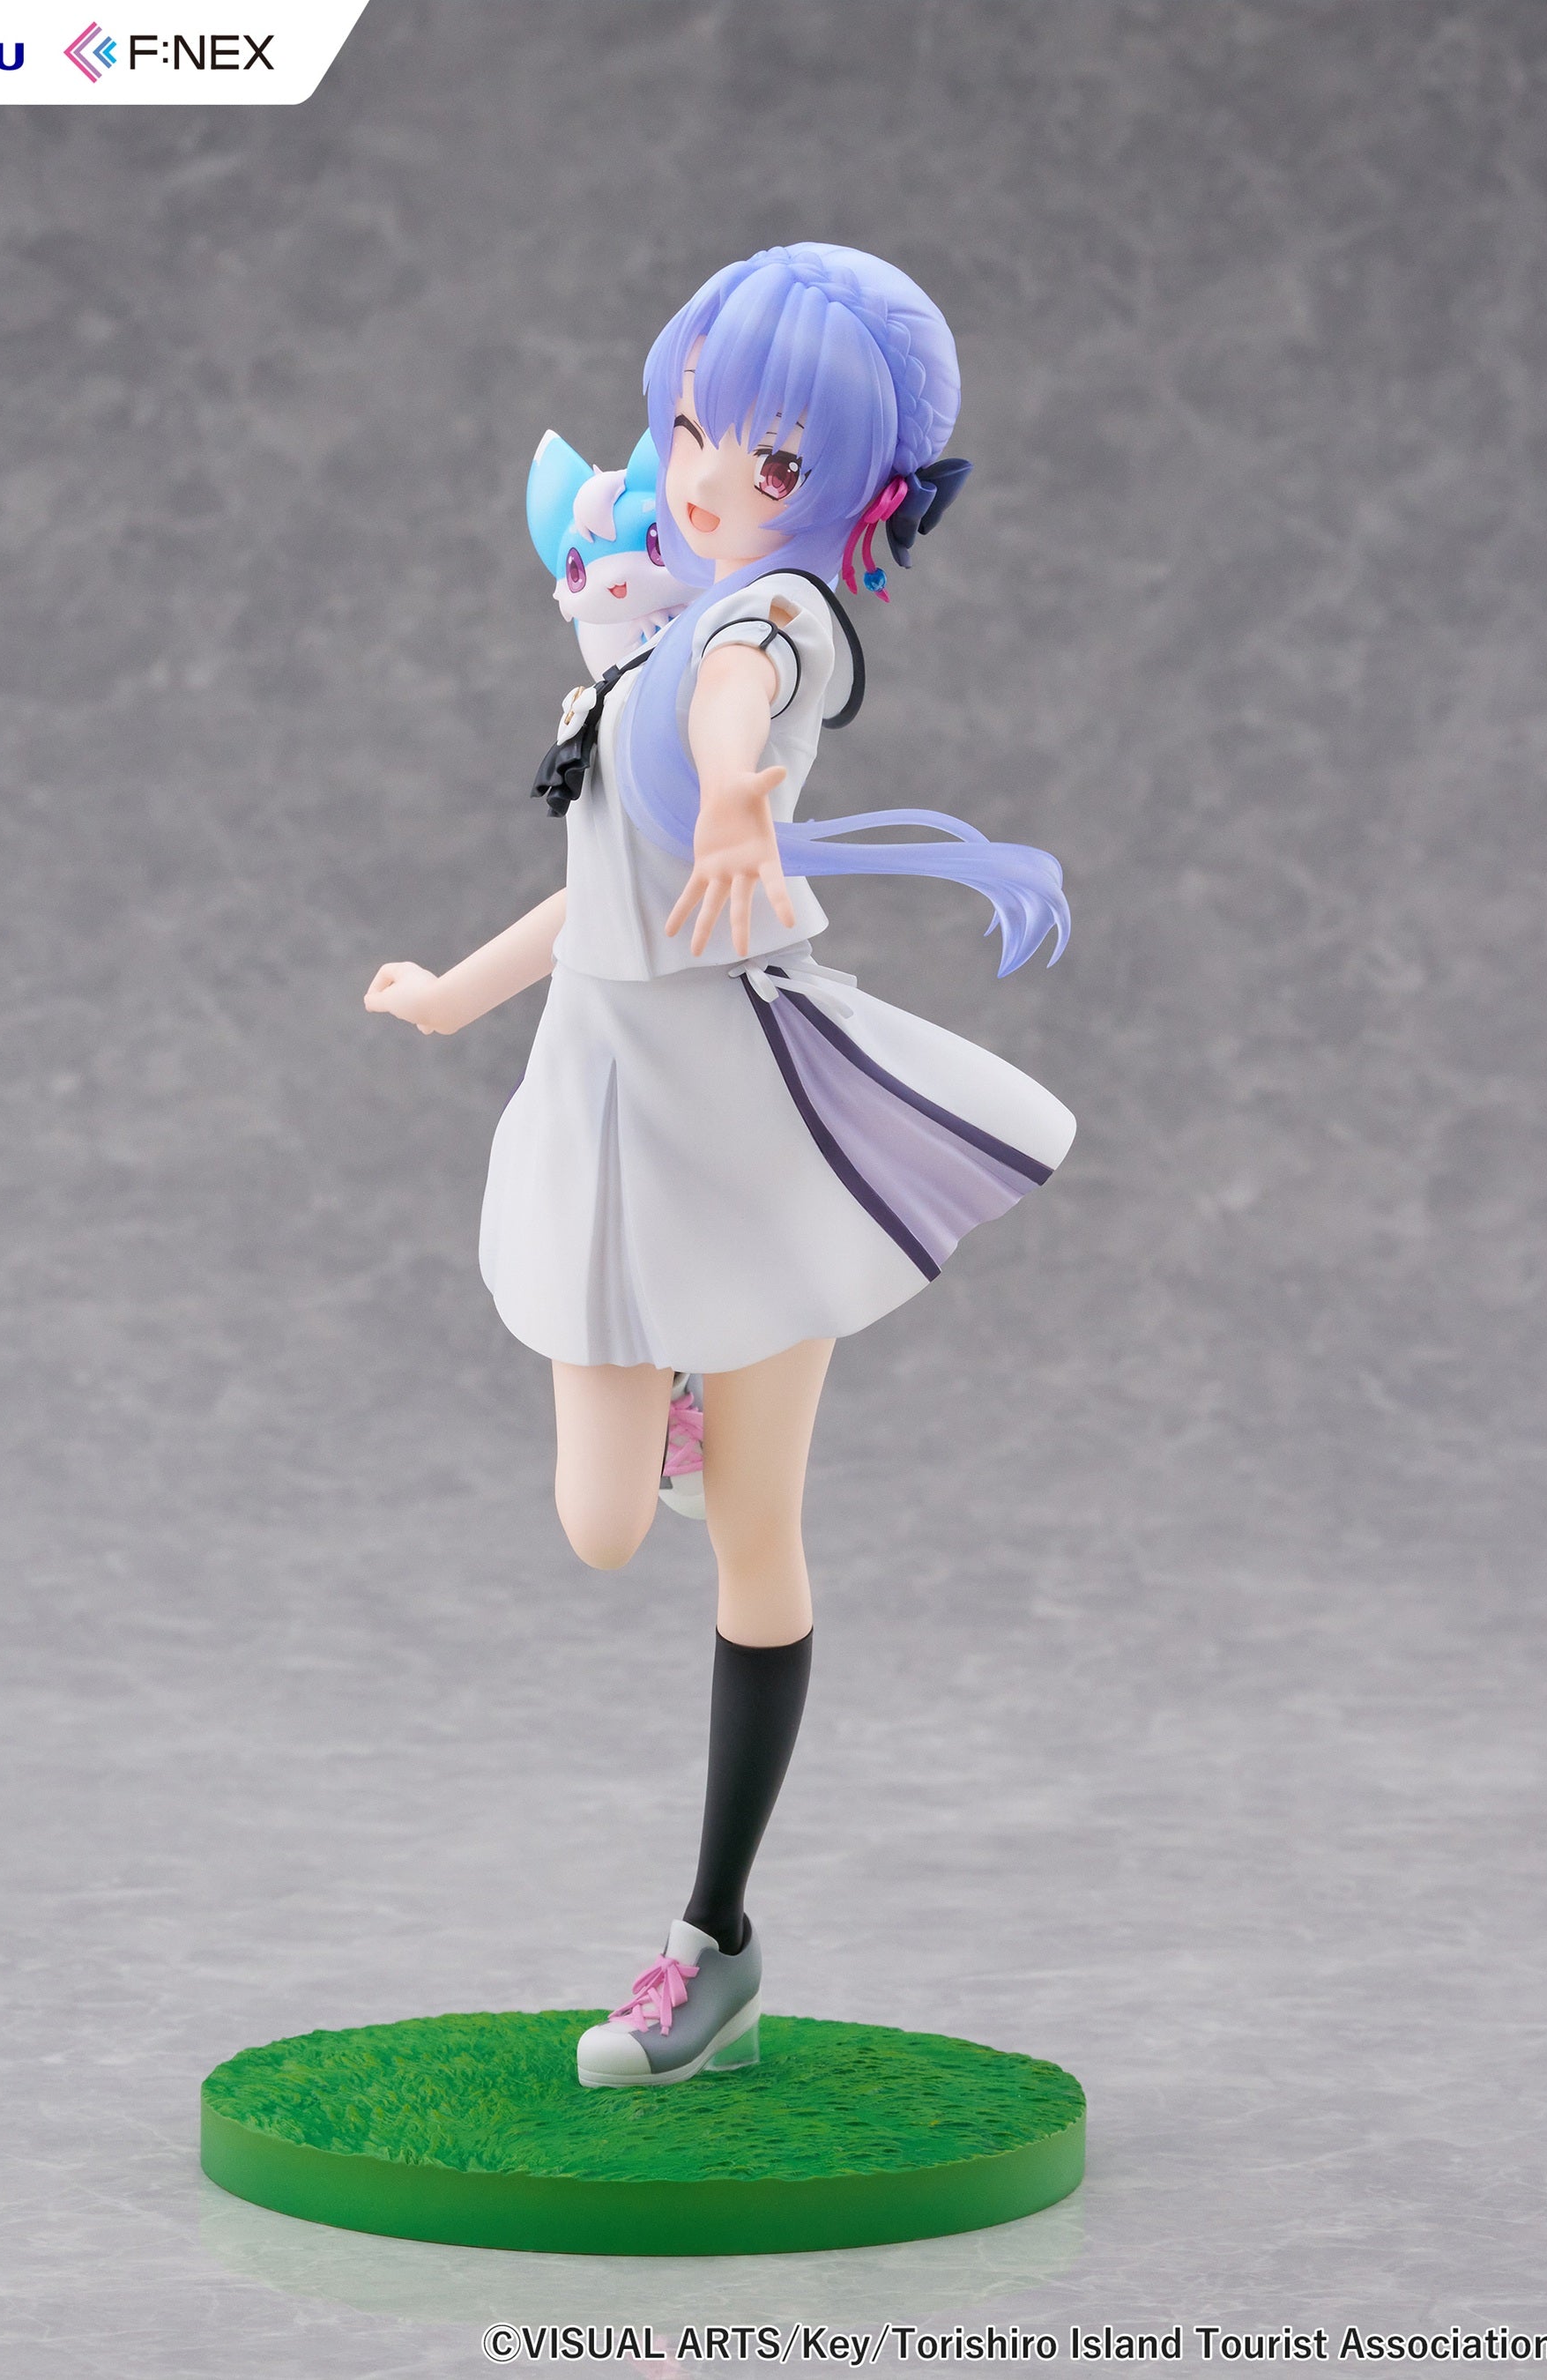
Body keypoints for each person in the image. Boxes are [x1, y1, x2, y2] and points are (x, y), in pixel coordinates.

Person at [365, 244, 1076, 2089]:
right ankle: (673, 1409)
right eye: (690, 430)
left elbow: (738, 698)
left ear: (843, 492)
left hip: (749, 1113)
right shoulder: (647, 641)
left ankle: (715, 1941)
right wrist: (454, 994)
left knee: (756, 1538)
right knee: (601, 1524)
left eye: (765, 461)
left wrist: (745, 788)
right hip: (608, 1090)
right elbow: (598, 880)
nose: (703, 481)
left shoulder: (776, 621)